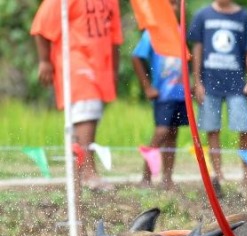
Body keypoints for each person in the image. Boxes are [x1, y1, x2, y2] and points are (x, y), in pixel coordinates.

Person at [31, 0, 123, 191]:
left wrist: (113, 70)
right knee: (86, 113)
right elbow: (40, 26)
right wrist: (44, 61)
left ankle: (78, 175)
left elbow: (114, 38)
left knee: (86, 118)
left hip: (100, 66)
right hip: (75, 61)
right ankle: (89, 173)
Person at [188, 0, 247, 191]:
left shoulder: (243, 16)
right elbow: (196, 50)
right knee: (212, 129)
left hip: (237, 84)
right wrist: (197, 82)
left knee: (245, 128)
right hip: (209, 83)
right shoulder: (202, 15)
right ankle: (218, 174)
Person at [132, 0, 189, 191]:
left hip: (180, 94)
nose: (174, 8)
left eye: (178, 4)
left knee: (173, 136)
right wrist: (147, 86)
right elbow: (136, 57)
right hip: (163, 94)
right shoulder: (153, 32)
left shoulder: (181, 30)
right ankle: (146, 177)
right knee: (161, 133)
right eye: (170, 4)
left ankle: (167, 178)